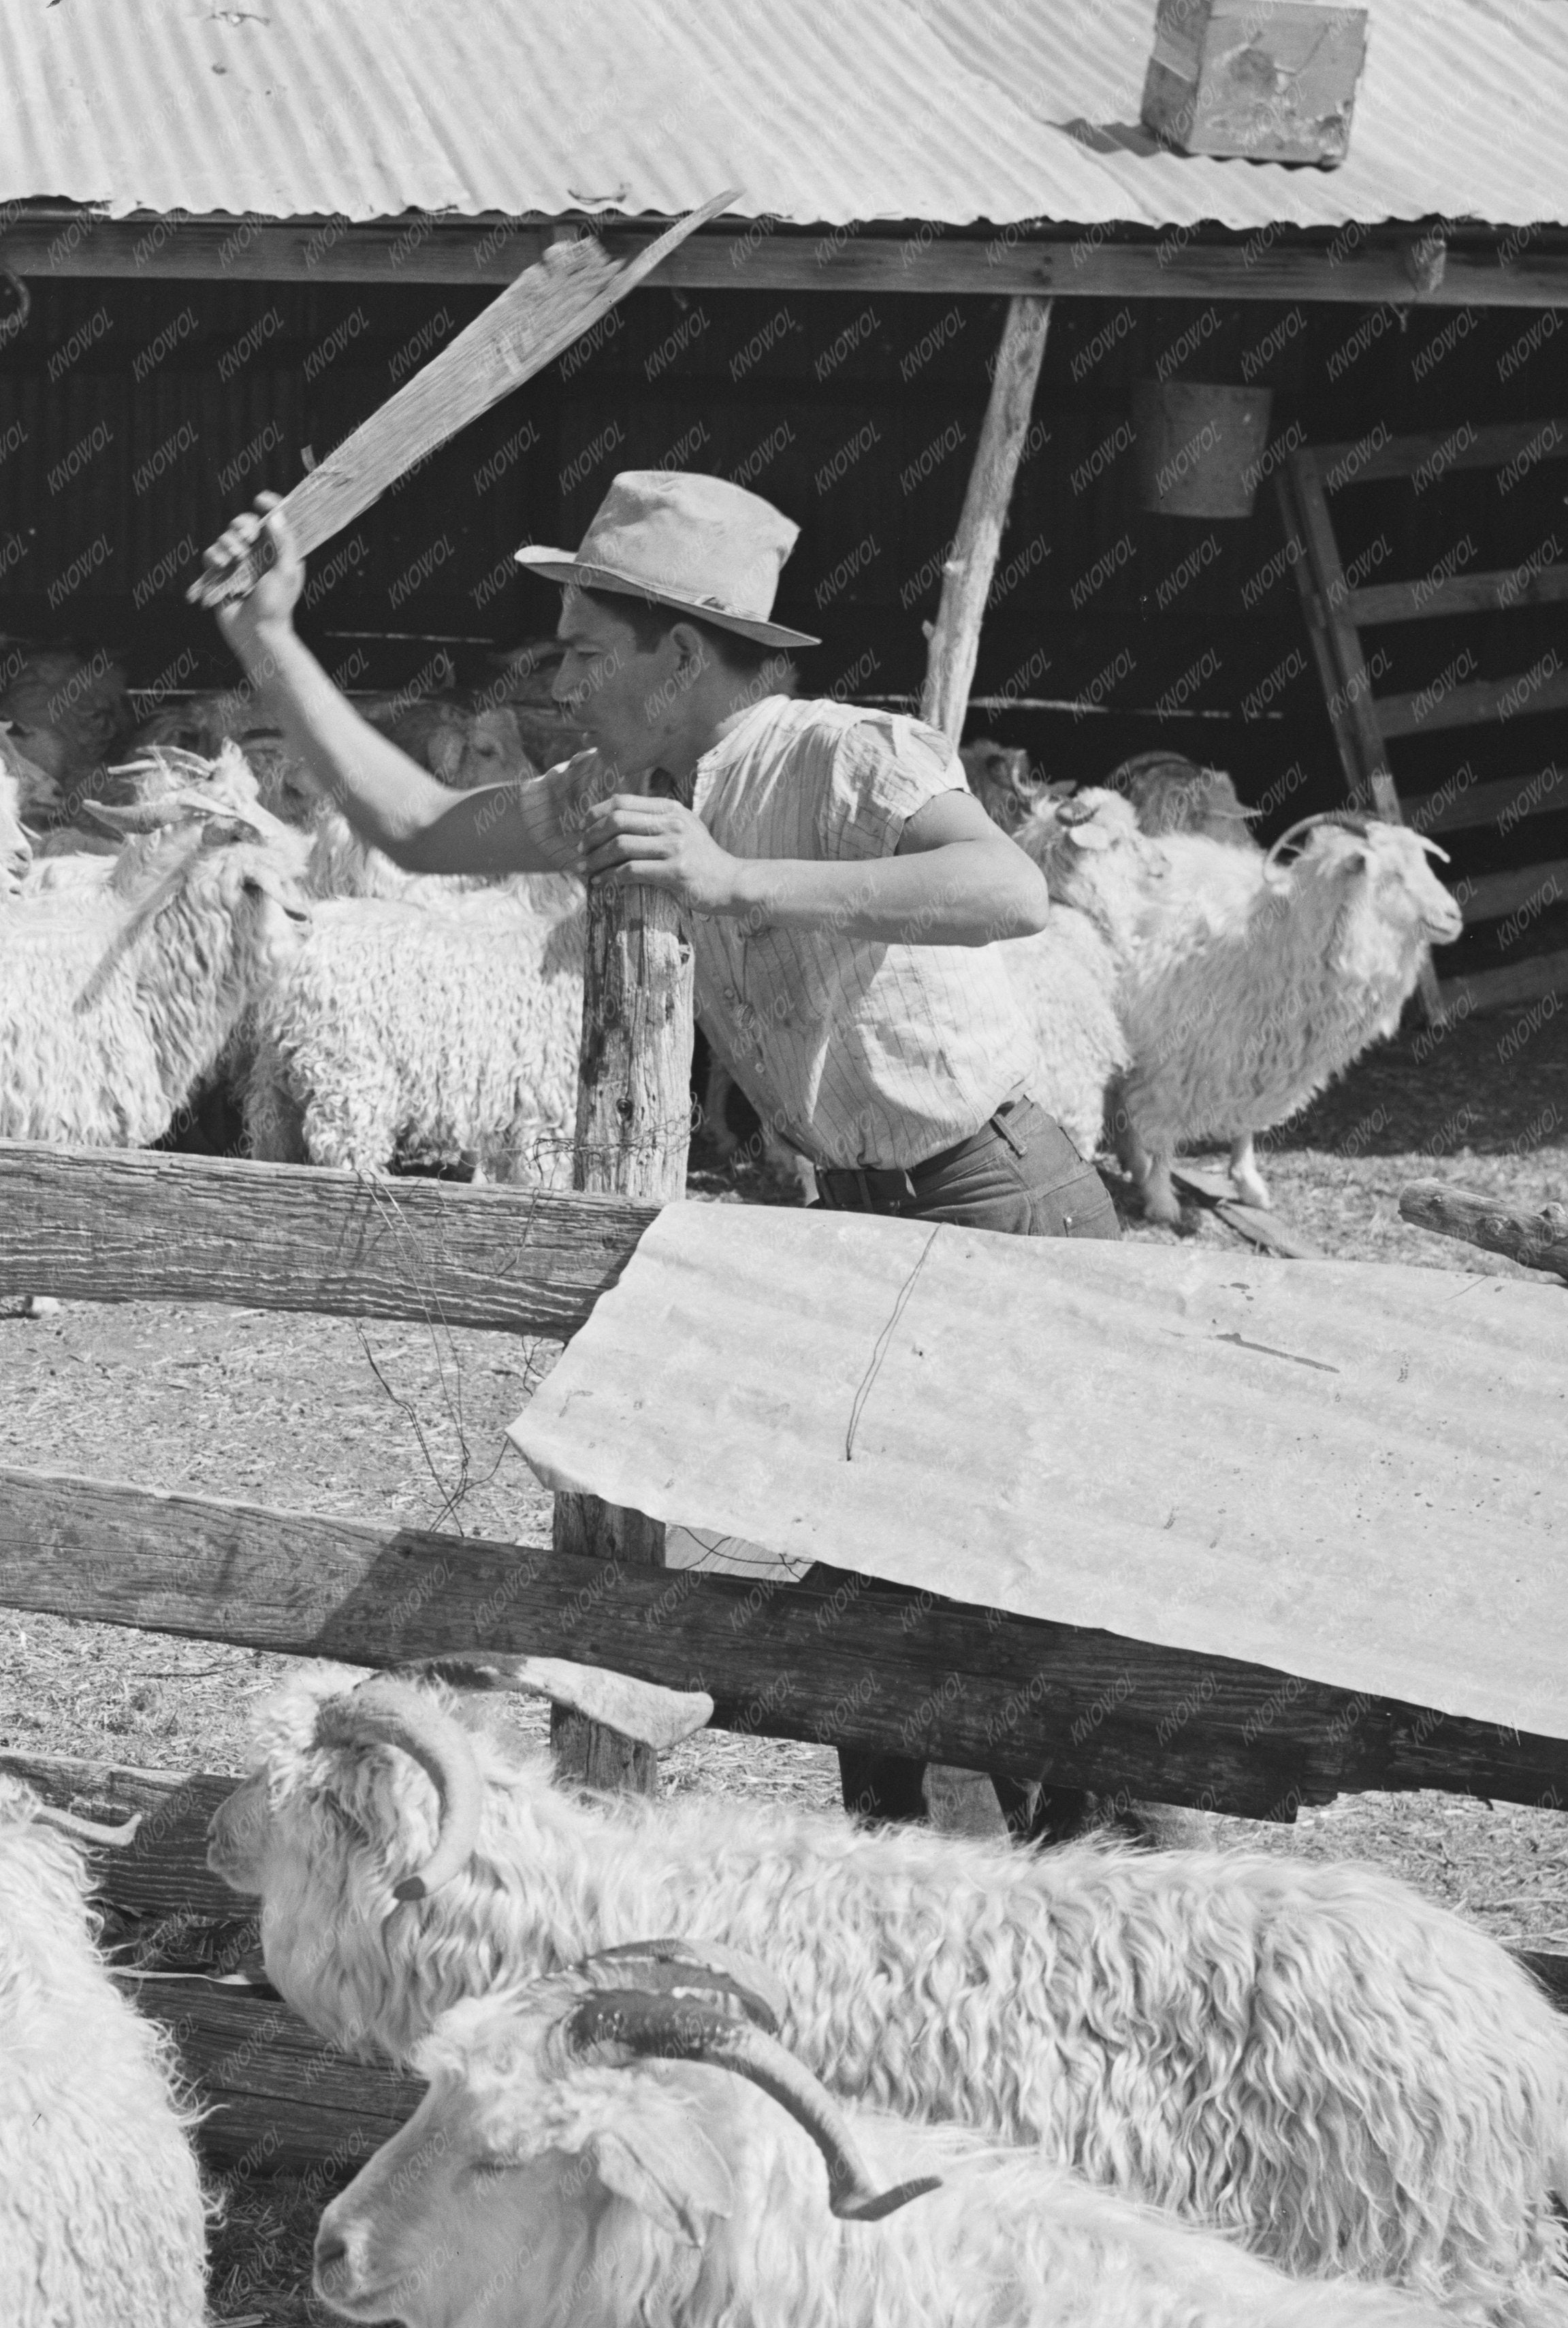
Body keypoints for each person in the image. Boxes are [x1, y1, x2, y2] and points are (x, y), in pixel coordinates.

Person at [193, 465, 1118, 1838]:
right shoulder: (630, 790)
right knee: (871, 1618)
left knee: (1043, 1614)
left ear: (679, 653)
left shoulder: (839, 756)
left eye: (582, 649)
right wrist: (266, 634)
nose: (558, 679)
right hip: (857, 1228)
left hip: (994, 1204)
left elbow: (1001, 886)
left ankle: (1157, 1931)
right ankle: (917, 1936)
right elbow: (415, 827)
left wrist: (735, 882)